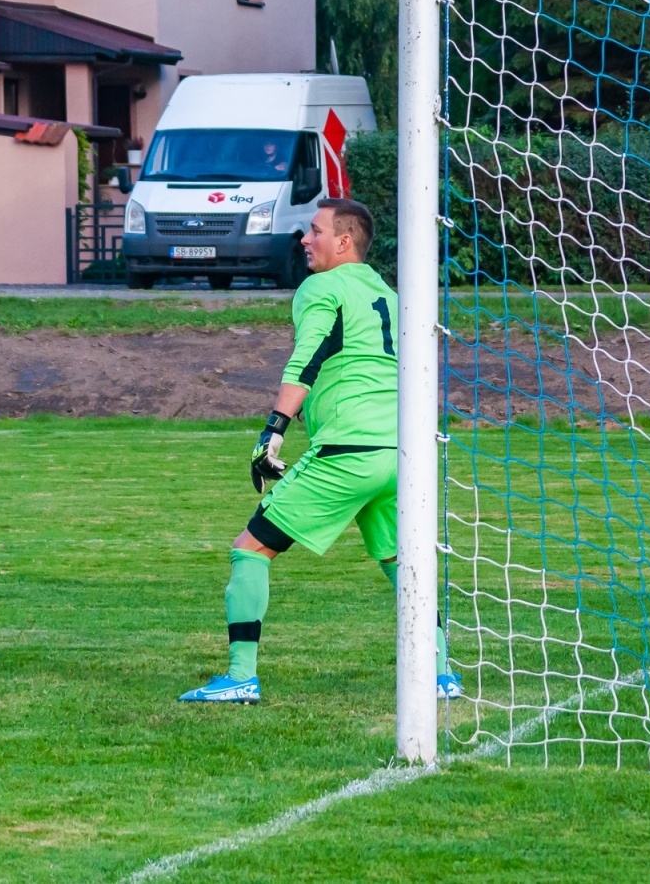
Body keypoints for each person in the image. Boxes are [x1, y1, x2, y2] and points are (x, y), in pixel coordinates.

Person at [179, 198, 460, 704]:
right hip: (402, 453)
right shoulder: (388, 293)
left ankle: (241, 677)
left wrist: (274, 430)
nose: (305, 239)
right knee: (402, 562)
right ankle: (441, 675)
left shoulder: (321, 287)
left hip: (349, 451)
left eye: (314, 231)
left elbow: (305, 358)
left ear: (344, 241)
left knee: (251, 547)